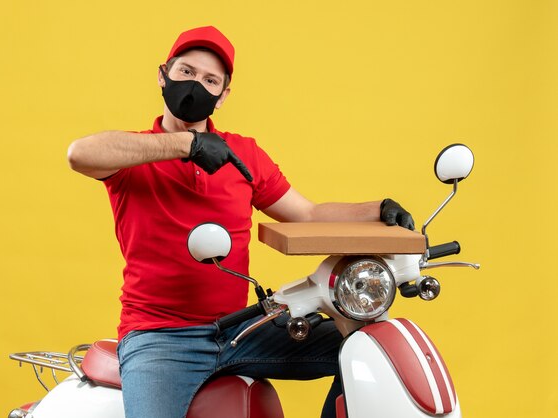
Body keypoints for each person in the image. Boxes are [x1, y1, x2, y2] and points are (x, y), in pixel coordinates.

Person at [67, 26, 414, 418]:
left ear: (223, 96)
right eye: (186, 72)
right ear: (163, 75)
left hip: (238, 331)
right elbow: (80, 153)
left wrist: (379, 209)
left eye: (210, 80)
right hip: (159, 338)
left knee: (370, 348)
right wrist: (187, 145)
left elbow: (307, 214)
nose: (196, 84)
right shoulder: (135, 154)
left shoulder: (243, 154)